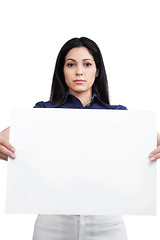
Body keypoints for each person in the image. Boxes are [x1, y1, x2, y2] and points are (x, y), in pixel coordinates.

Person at [0, 37, 160, 240]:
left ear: (97, 70)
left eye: (87, 64)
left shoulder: (119, 116)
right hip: (52, 222)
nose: (79, 72)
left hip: (106, 223)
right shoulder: (43, 112)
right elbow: (3, 140)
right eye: (71, 64)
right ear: (62, 70)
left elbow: (154, 140)